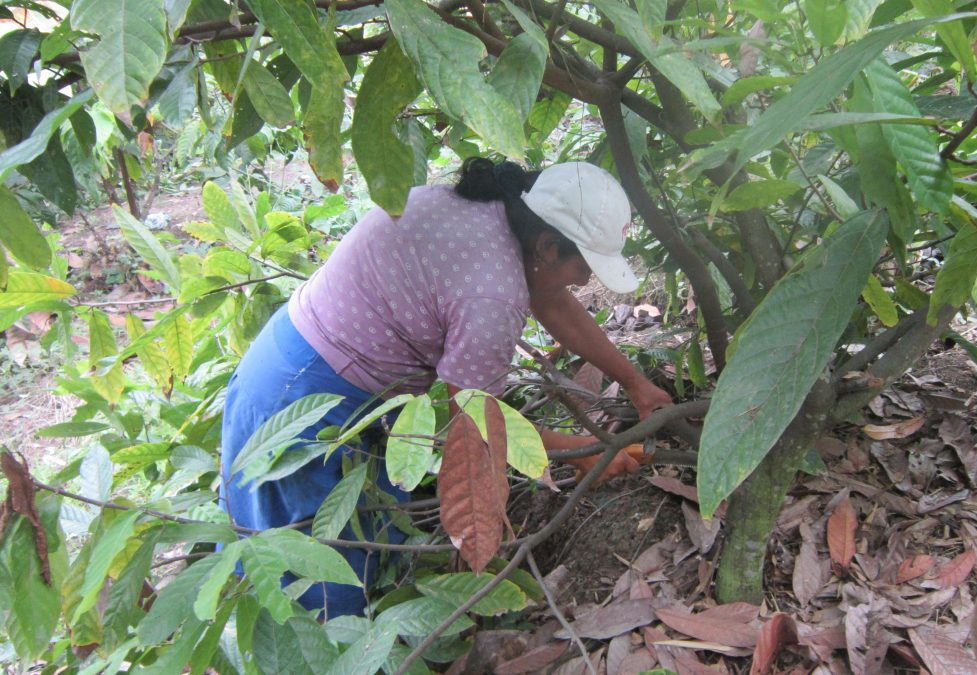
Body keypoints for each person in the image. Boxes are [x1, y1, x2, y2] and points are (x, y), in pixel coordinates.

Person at [219, 158, 673, 619]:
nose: (585, 280)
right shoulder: (493, 293)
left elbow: (553, 300)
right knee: (316, 587)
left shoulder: (489, 212)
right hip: (301, 406)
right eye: (584, 268)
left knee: (370, 545)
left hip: (291, 359)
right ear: (548, 247)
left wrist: (635, 383)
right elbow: (476, 427)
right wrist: (580, 450)